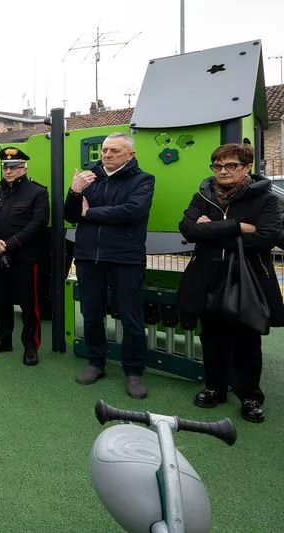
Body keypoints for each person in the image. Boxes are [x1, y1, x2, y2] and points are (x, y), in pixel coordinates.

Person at [177, 143, 284, 423]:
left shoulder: (266, 199)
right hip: (207, 276)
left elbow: (268, 237)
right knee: (211, 335)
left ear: (247, 167)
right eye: (217, 165)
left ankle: (250, 395)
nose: (222, 171)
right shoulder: (203, 195)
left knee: (246, 337)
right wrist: (237, 227)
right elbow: (188, 229)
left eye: (230, 165)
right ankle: (215, 387)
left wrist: (209, 229)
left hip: (247, 277)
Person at [63, 132, 155, 399]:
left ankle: (134, 372)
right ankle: (96, 362)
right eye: (104, 150)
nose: (107, 155)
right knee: (91, 313)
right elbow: (70, 215)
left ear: (130, 154)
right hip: (88, 256)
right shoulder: (88, 178)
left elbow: (131, 212)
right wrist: (74, 191)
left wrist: (89, 212)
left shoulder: (143, 180)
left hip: (125, 258)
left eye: (114, 151)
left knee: (131, 317)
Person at [0, 148, 49, 365]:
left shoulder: (37, 192)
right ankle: (3, 339)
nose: (9, 171)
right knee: (0, 301)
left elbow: (38, 224)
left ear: (24, 167)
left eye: (14, 166)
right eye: (5, 166)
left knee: (30, 304)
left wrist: (8, 244)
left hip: (25, 258)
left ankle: (30, 345)